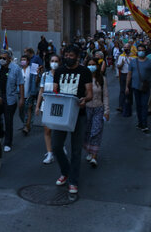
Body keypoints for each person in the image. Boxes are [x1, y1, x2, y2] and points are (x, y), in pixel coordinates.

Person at [52, 45, 93, 194]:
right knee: (56, 146)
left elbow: (90, 94)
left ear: (77, 56)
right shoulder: (59, 71)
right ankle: (66, 171)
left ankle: (73, 181)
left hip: (78, 115)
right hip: (61, 114)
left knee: (76, 150)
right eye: (66, 55)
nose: (68, 58)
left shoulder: (85, 71)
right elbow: (55, 90)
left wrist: (84, 100)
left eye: (71, 55)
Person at [0, 50, 24, 152]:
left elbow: (21, 84)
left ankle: (8, 142)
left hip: (10, 98)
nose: (2, 60)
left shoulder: (16, 69)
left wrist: (21, 98)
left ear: (9, 59)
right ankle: (1, 133)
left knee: (8, 121)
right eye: (0, 58)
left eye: (4, 58)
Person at [35, 54, 61, 164]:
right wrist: (37, 105)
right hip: (45, 105)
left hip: (58, 105)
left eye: (56, 61)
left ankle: (59, 147)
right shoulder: (45, 75)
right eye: (52, 60)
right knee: (47, 130)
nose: (54, 63)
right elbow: (41, 91)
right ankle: (49, 153)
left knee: (57, 129)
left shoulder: (62, 75)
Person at [83, 58, 109, 168]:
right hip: (86, 108)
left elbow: (105, 96)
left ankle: (94, 155)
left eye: (93, 64)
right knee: (87, 131)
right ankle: (90, 150)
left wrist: (107, 111)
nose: (91, 66)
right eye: (89, 64)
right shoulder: (84, 79)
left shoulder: (102, 79)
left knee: (96, 131)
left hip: (99, 108)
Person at [126, 44, 151, 133]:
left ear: (145, 51)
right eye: (139, 50)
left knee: (144, 105)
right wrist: (127, 86)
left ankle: (144, 124)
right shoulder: (133, 62)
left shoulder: (150, 62)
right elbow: (129, 74)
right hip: (135, 87)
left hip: (146, 87)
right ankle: (140, 122)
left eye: (142, 50)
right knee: (138, 106)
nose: (141, 52)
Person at [117, 43, 133, 115]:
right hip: (123, 74)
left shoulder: (133, 56)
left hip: (131, 75)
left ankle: (129, 103)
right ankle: (121, 105)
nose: (126, 49)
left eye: (127, 47)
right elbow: (118, 66)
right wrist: (122, 63)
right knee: (122, 90)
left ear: (130, 48)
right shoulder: (121, 56)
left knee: (130, 90)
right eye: (125, 47)